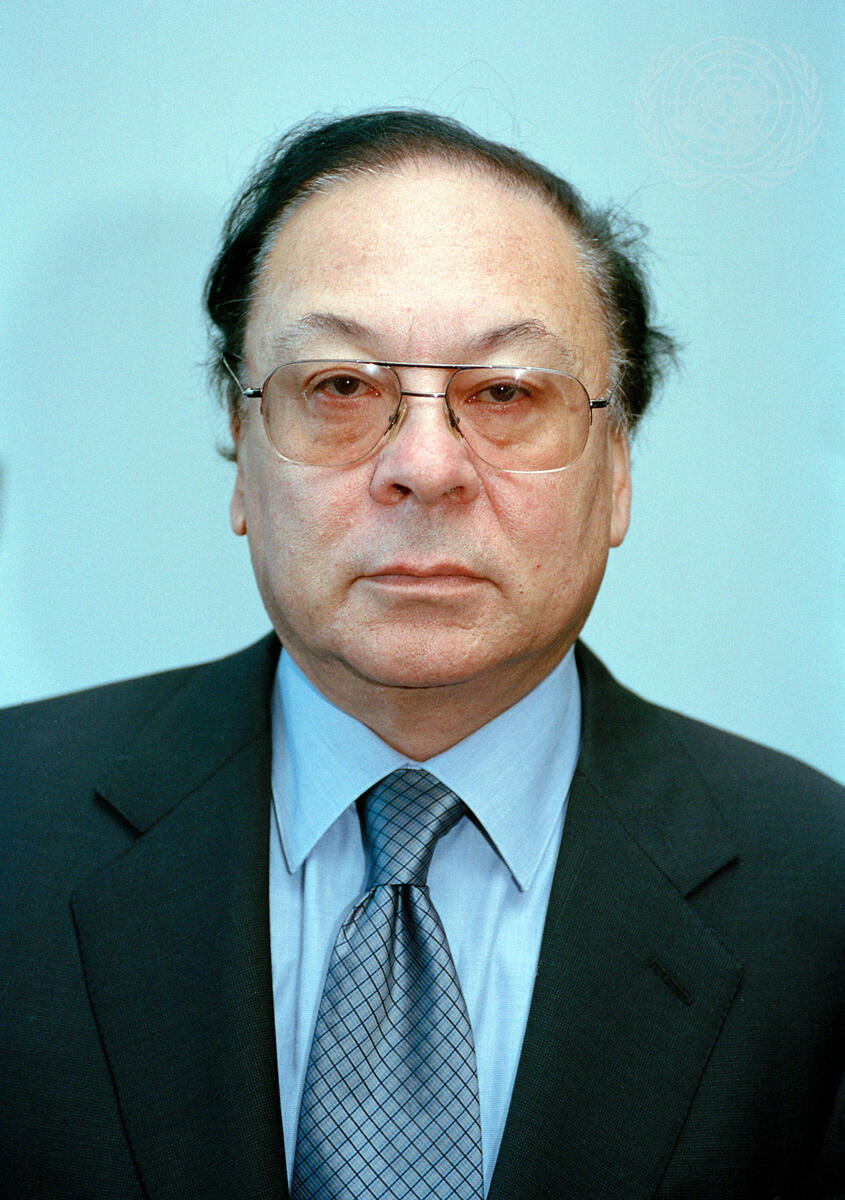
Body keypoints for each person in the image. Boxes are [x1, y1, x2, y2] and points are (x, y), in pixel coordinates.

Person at [1, 110, 842, 1200]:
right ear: (241, 449)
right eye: (340, 388)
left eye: (505, 393)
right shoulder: (15, 825)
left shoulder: (816, 890)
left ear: (617, 469)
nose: (425, 466)